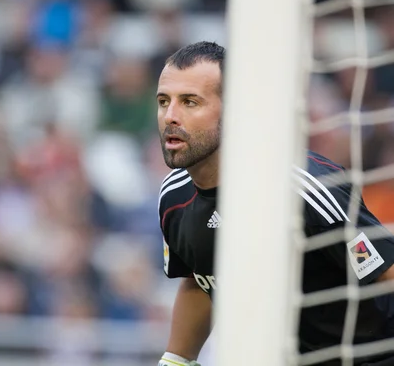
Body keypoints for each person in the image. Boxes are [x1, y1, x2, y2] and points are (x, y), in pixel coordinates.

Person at [156, 42, 394, 366]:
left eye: (190, 102)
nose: (170, 116)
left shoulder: (304, 189)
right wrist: (176, 360)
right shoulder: (173, 197)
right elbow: (199, 281)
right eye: (163, 101)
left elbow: (387, 272)